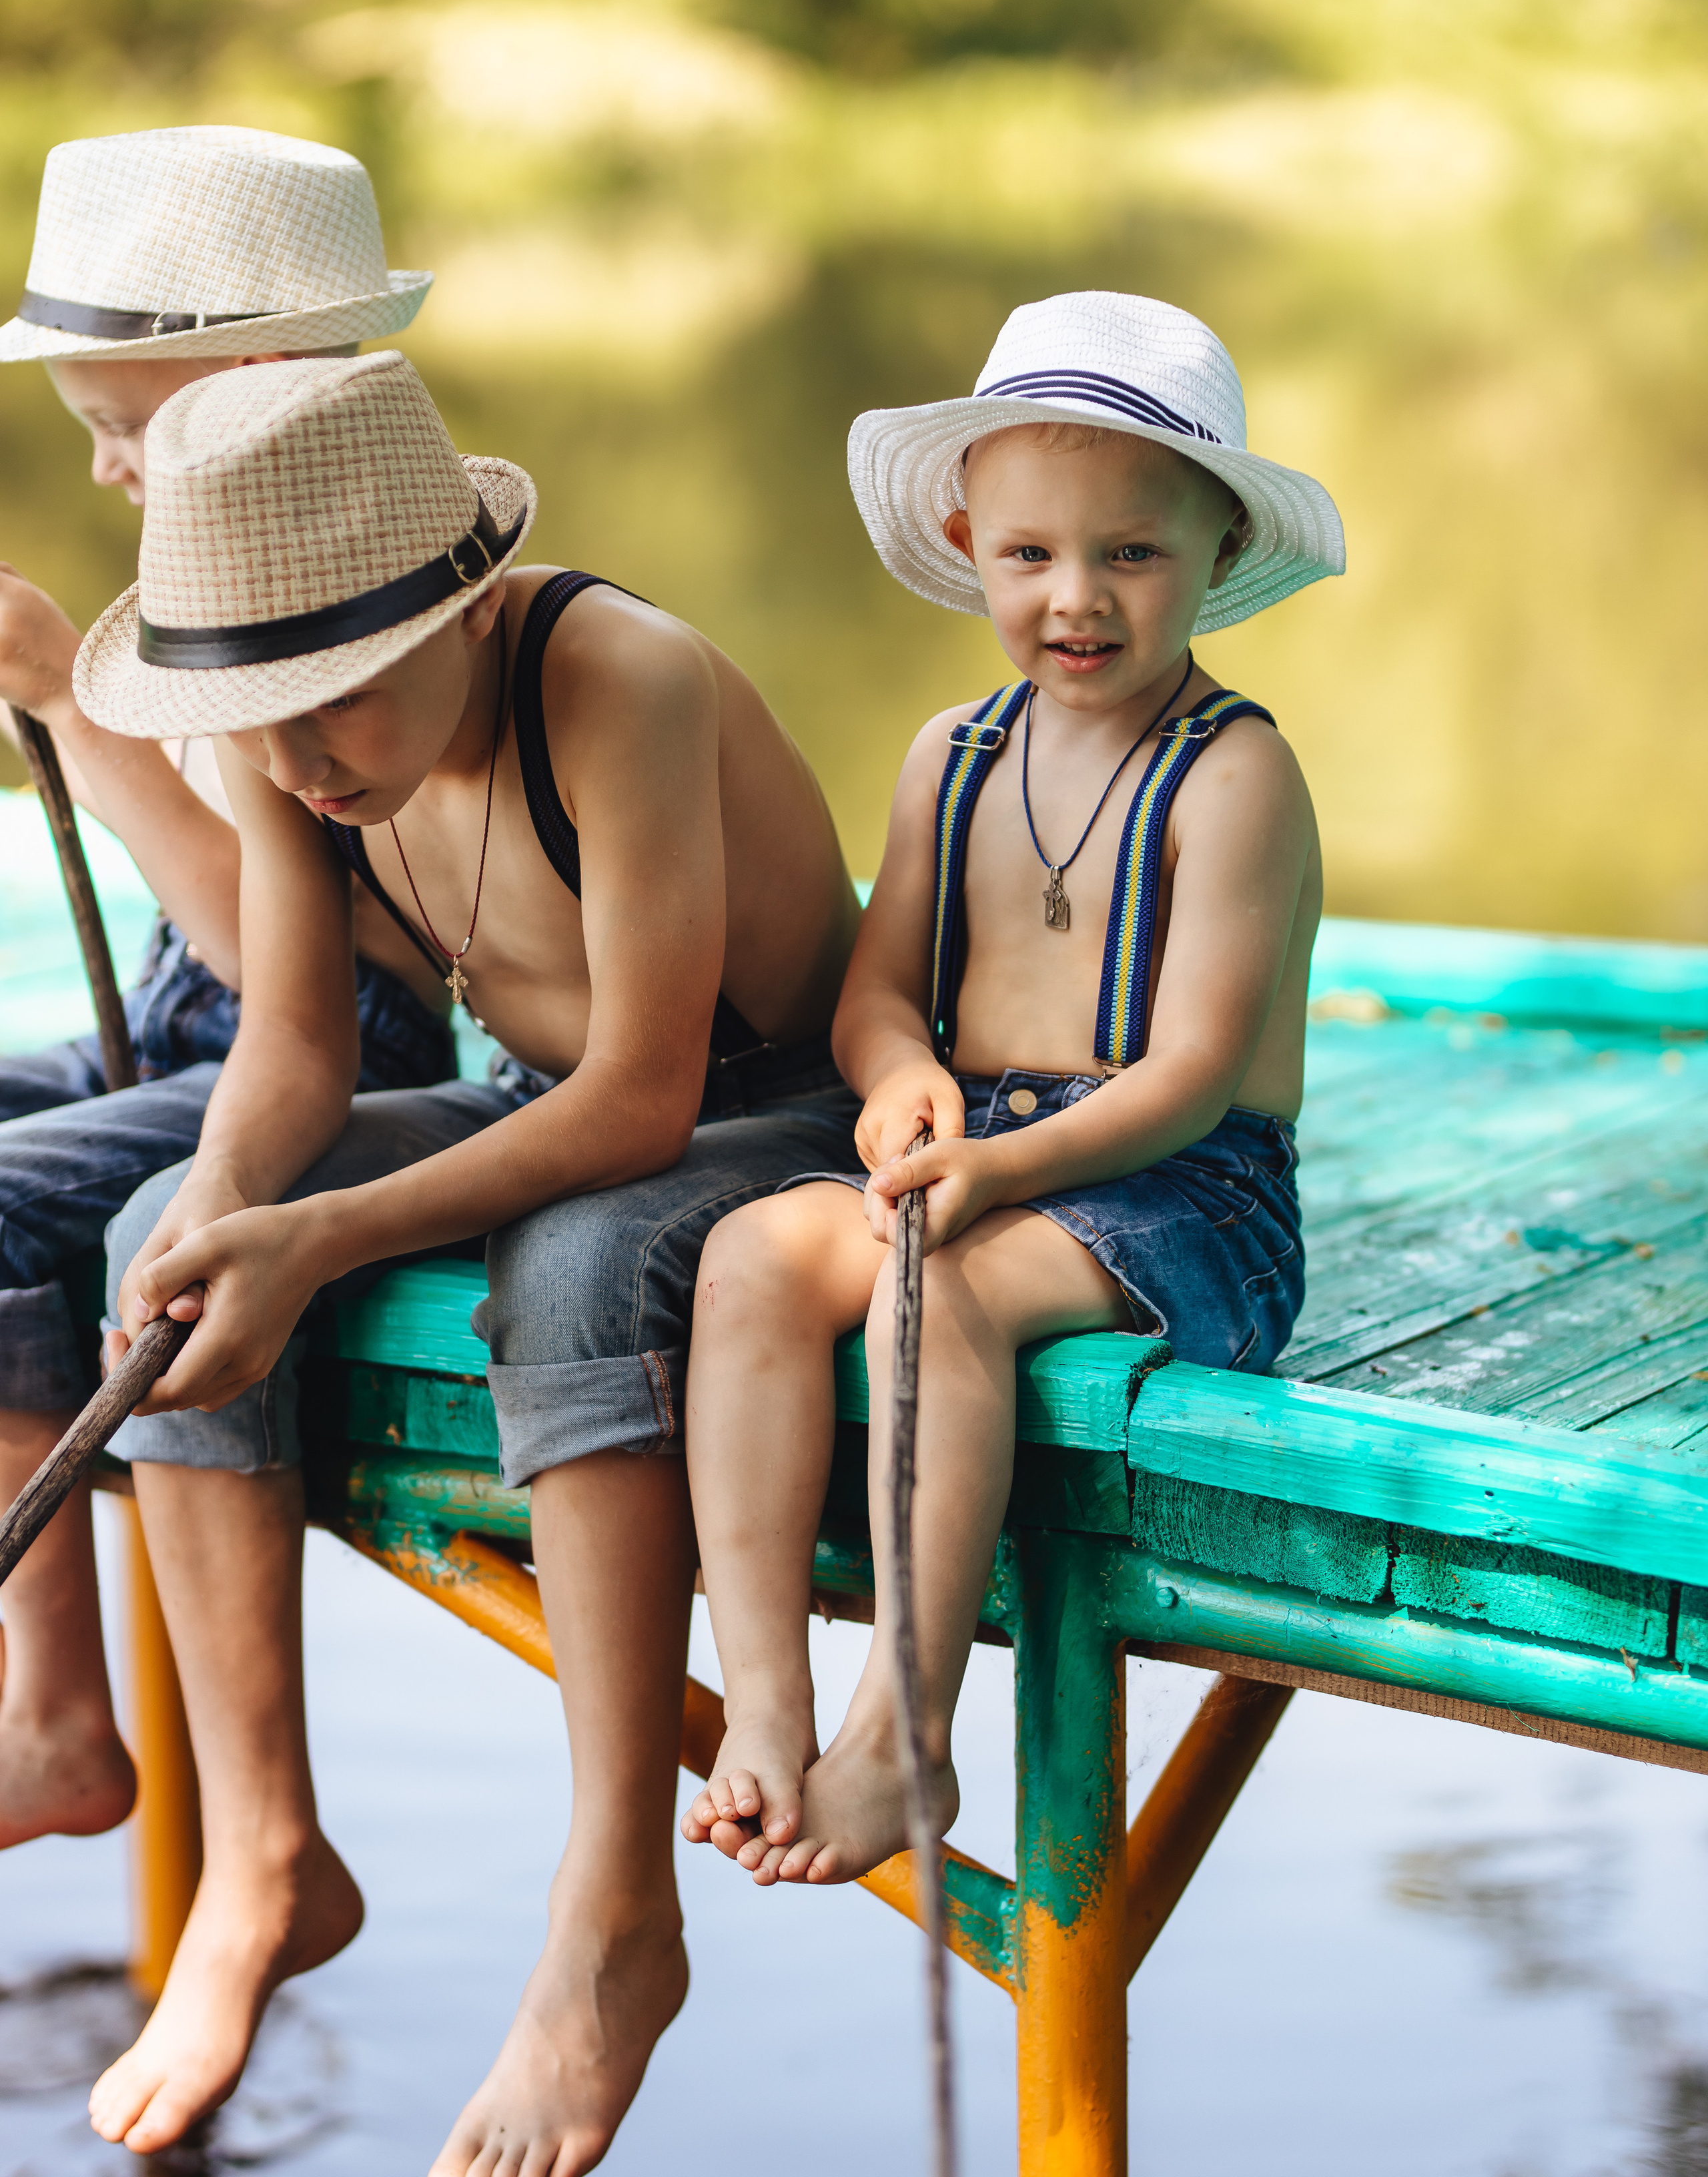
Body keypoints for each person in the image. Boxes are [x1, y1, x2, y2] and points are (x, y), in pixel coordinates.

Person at [83, 349, 861, 2163]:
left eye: (333, 701)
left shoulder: (618, 680)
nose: (295, 763)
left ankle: (612, 1917)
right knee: (158, 1229)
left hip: (767, 1110)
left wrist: (320, 1234)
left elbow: (644, 1106)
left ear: (463, 596)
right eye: (258, 716)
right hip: (545, 1094)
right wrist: (224, 1224)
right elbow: (294, 1053)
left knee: (577, 1267)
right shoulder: (292, 732)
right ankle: (263, 1851)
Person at [680, 290, 1344, 1885]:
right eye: (1031, 554)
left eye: (1131, 554)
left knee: (940, 1302)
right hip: (981, 1148)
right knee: (751, 1257)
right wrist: (902, 1073)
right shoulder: (952, 755)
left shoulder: (1235, 772)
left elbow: (1190, 1076)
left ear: (1210, 556)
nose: (1078, 599)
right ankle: (768, 1705)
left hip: (1187, 1189)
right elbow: (880, 986)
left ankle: (906, 1734)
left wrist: (993, 1176)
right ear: (970, 538)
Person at [0, 126, 457, 1858]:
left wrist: (66, 706)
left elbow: (305, 979)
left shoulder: (325, 604)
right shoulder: (215, 573)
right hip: (215, 1005)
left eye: (122, 428)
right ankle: (45, 1705)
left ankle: (52, 1714)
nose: (112, 474)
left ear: (248, 384)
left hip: (324, 1037)